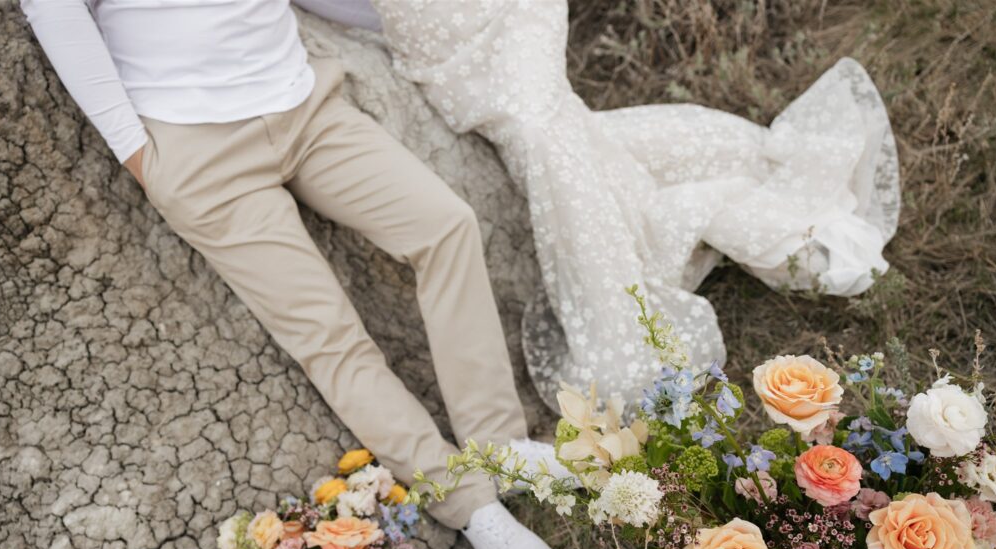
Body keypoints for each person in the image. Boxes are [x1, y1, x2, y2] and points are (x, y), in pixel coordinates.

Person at [19, 0, 565, 549]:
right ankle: (469, 503)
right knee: (328, 337)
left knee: (446, 226)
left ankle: (500, 446)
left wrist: (407, 21)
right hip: (194, 147)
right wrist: (140, 155)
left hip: (303, 104)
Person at [302, 0, 900, 409]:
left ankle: (621, 331)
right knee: (563, 140)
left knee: (541, 134)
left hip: (501, 14)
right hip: (432, 46)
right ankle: (656, 219)